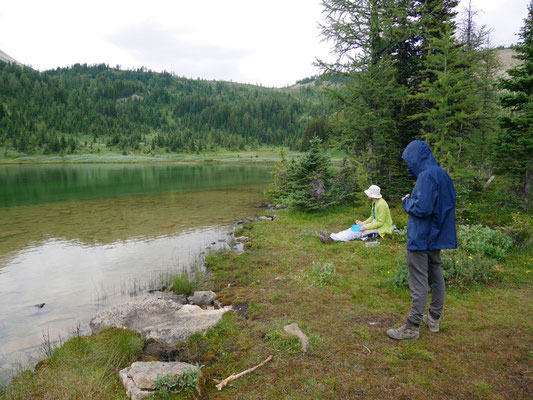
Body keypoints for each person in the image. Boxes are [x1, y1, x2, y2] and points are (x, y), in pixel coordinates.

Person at [387, 140, 457, 340]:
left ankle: (412, 326)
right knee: (436, 275)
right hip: (436, 237)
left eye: (409, 161)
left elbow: (422, 209)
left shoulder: (426, 177)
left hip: (421, 238)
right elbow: (442, 205)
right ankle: (433, 317)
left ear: (416, 158)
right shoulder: (442, 174)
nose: (409, 166)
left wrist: (406, 202)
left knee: (418, 281)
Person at [320, 185, 393, 243]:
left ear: (373, 195)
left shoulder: (381, 204)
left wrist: (366, 227)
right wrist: (363, 223)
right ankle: (331, 235)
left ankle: (331, 239)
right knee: (353, 228)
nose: (367, 194)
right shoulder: (375, 202)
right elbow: (372, 216)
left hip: (382, 227)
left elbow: (380, 223)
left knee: (357, 232)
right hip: (375, 223)